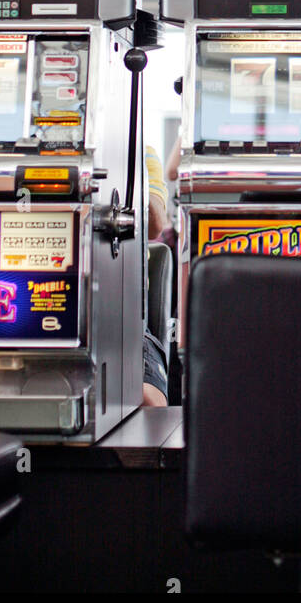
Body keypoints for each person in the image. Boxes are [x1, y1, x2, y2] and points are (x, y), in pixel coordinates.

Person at [141, 143, 172, 407]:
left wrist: (131, 164)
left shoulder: (144, 152)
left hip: (123, 318)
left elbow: (155, 225)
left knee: (148, 400)